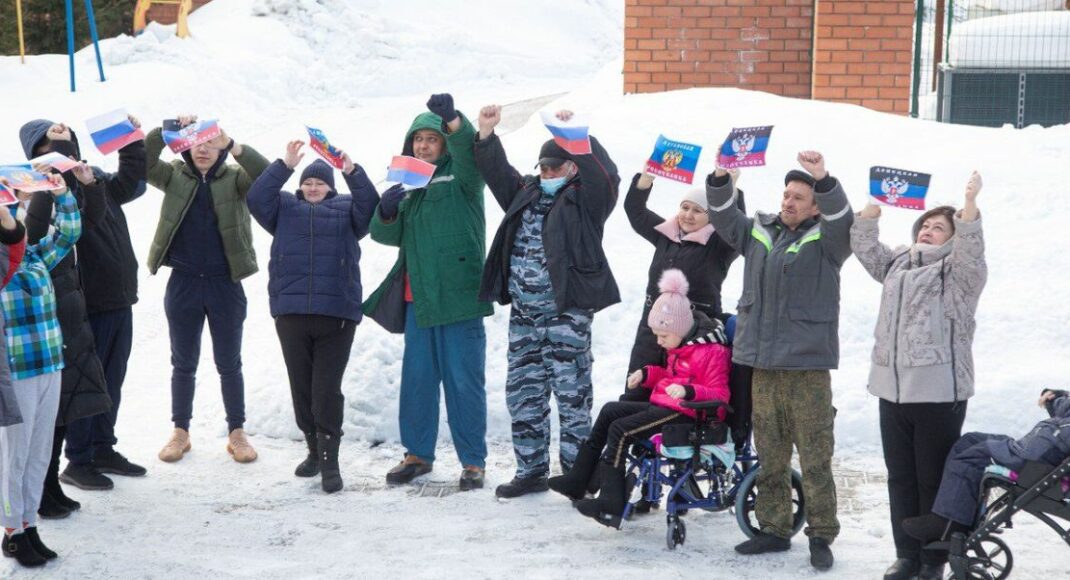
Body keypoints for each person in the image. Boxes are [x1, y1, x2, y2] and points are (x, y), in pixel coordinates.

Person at [705, 151, 853, 570]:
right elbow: (722, 217)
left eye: (798, 197)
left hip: (806, 368)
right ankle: (773, 528)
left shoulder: (828, 241)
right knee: (769, 452)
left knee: (815, 454)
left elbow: (843, 217)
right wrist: (721, 177)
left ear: (815, 206)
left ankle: (821, 534)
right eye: (786, 195)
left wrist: (823, 176)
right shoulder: (758, 231)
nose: (788, 202)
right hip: (763, 365)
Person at [473, 105, 621, 498]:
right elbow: (497, 173)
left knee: (572, 395)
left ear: (573, 169)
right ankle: (531, 470)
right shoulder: (526, 193)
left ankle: (578, 474)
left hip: (566, 314)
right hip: (524, 315)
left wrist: (576, 137)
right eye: (544, 168)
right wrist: (487, 134)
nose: (549, 174)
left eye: (557, 167)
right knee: (524, 393)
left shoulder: (586, 202)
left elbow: (606, 178)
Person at [851, 172, 987, 580]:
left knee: (933, 479)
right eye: (925, 225)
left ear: (952, 238)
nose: (928, 231)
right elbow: (863, 245)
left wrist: (968, 207)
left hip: (937, 393)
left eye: (938, 228)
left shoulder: (960, 274)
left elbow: (972, 250)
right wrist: (874, 207)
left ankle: (933, 560)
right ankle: (906, 554)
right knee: (901, 478)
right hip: (891, 392)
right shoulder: (896, 263)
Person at [363, 94, 491, 491]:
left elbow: (469, 153)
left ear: (443, 142)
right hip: (417, 299)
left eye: (430, 139)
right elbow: (388, 235)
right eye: (417, 139)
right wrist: (385, 211)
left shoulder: (463, 176)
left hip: (459, 297)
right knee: (417, 381)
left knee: (463, 381)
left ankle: (473, 462)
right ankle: (417, 455)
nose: (422, 146)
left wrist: (453, 120)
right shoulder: (409, 180)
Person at [20, 118, 147, 517]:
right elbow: (48, 235)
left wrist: (132, 142)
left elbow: (132, 183)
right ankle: (79, 458)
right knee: (81, 387)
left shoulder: (94, 180)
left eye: (66, 142)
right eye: (50, 146)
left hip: (118, 296)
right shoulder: (45, 190)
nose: (62, 151)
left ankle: (102, 447)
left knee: (111, 378)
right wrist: (59, 177)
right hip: (82, 302)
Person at [547, 269, 731, 528]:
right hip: (669, 404)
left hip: (691, 413)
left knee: (620, 430)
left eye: (663, 336)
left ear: (679, 327)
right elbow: (669, 376)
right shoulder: (681, 345)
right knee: (611, 410)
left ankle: (611, 504)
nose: (659, 341)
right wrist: (646, 374)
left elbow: (720, 394)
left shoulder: (712, 351)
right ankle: (579, 479)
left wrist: (689, 392)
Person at [247, 142, 379, 493]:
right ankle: (312, 450)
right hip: (291, 315)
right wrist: (285, 164)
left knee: (326, 391)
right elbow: (256, 198)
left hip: (336, 316)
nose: (313, 188)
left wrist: (353, 172)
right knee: (301, 389)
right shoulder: (283, 209)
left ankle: (330, 462)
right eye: (308, 183)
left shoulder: (348, 210)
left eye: (320, 183)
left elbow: (372, 207)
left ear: (331, 187)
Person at [145, 115, 268, 463]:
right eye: (196, 142)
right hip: (183, 282)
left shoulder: (234, 180)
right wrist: (165, 129)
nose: (203, 149)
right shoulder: (173, 175)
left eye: (210, 143)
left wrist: (234, 146)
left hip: (224, 284)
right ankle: (180, 432)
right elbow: (143, 163)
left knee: (229, 363)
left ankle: (237, 433)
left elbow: (265, 175)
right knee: (183, 363)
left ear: (219, 147)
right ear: (186, 145)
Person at [0, 175, 81, 567]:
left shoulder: (33, 256)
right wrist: (11, 205)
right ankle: (11, 531)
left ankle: (29, 523)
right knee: (14, 455)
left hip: (51, 363)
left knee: (39, 452)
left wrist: (60, 192)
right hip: (17, 371)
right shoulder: (4, 265)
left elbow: (69, 234)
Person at [621, 169, 742, 400]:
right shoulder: (666, 234)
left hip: (694, 337)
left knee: (675, 397)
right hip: (653, 331)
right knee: (637, 389)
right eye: (685, 207)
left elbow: (736, 227)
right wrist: (647, 176)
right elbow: (635, 211)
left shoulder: (720, 245)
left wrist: (729, 186)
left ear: (712, 217)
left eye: (698, 211)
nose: (688, 215)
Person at [901, 389, 1070, 545]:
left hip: (1035, 465)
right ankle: (961, 517)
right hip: (1031, 453)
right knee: (969, 441)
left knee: (970, 458)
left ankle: (948, 522)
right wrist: (1056, 397)